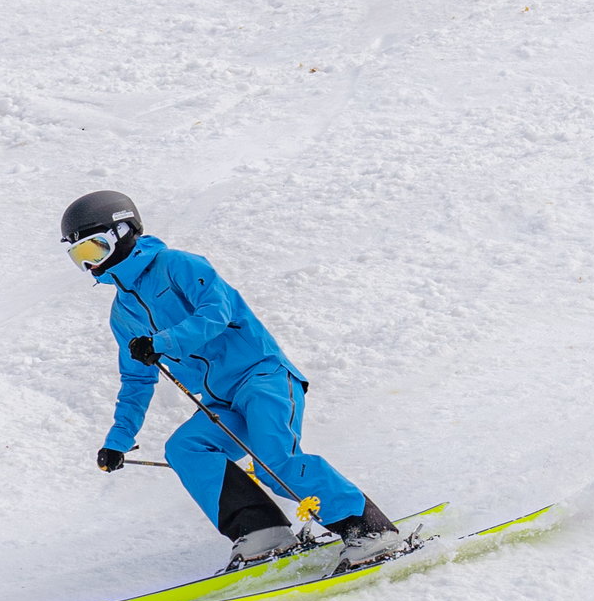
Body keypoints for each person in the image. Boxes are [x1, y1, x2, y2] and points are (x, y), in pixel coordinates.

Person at [61, 189, 399, 569]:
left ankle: (369, 530)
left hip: (263, 377)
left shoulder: (178, 265)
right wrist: (118, 441)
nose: (90, 266)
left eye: (94, 250)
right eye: (79, 258)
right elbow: (136, 381)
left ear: (123, 231)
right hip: (221, 400)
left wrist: (163, 341)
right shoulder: (123, 314)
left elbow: (215, 312)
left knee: (276, 459)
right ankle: (262, 531)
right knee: (187, 447)